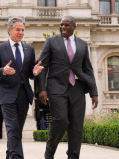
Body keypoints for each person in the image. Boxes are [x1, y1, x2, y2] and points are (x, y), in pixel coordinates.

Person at [37, 16, 99, 159]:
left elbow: (88, 69)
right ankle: (49, 153)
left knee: (77, 125)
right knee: (61, 119)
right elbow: (42, 66)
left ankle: (73, 156)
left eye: (66, 25)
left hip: (77, 88)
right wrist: (42, 89)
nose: (63, 27)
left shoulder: (83, 44)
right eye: (61, 25)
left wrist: (93, 92)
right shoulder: (51, 42)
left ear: (74, 27)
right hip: (56, 86)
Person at [0, 17, 44, 159]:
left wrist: (34, 72)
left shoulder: (29, 49)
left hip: (24, 95)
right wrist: (3, 71)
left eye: (23, 30)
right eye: (18, 29)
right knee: (12, 128)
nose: (21, 32)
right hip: (7, 94)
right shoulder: (0, 49)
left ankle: (10, 156)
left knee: (16, 130)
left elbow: (30, 74)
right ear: (9, 30)